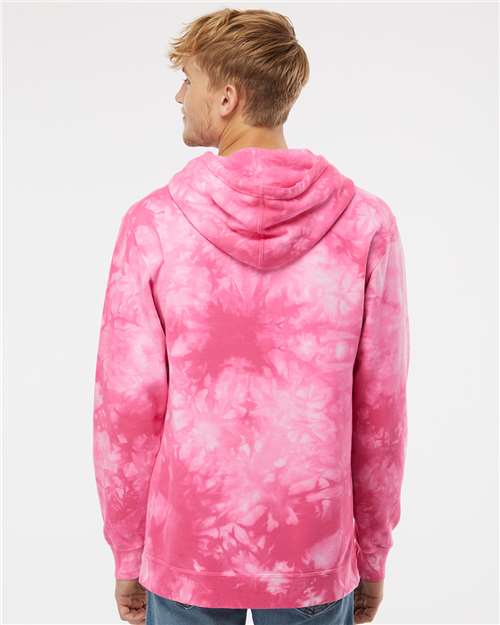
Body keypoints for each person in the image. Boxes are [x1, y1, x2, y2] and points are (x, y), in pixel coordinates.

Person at [92, 8, 410, 625]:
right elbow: (381, 411)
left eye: (188, 80)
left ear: (227, 97)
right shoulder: (366, 225)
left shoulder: (154, 225)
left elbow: (126, 410)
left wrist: (129, 553)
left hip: (187, 548)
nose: (179, 96)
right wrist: (371, 556)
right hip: (314, 549)